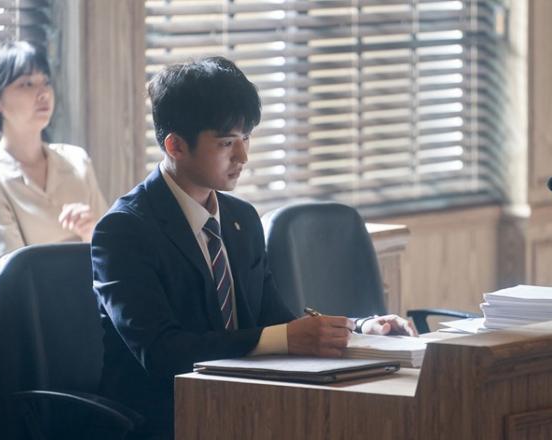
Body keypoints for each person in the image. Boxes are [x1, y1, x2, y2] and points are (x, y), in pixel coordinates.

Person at [91, 56, 416, 438]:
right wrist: (286, 337)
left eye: (245, 139)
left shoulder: (241, 219)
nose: (242, 157)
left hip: (246, 405)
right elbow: (163, 352)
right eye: (226, 143)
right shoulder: (124, 230)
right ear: (175, 145)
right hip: (165, 417)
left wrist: (358, 329)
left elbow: (275, 321)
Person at [0, 40, 107, 271]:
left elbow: (111, 250)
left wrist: (90, 231)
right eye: (27, 84)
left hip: (92, 289)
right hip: (38, 294)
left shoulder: (77, 160)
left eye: (46, 82)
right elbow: (12, 274)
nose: (44, 93)